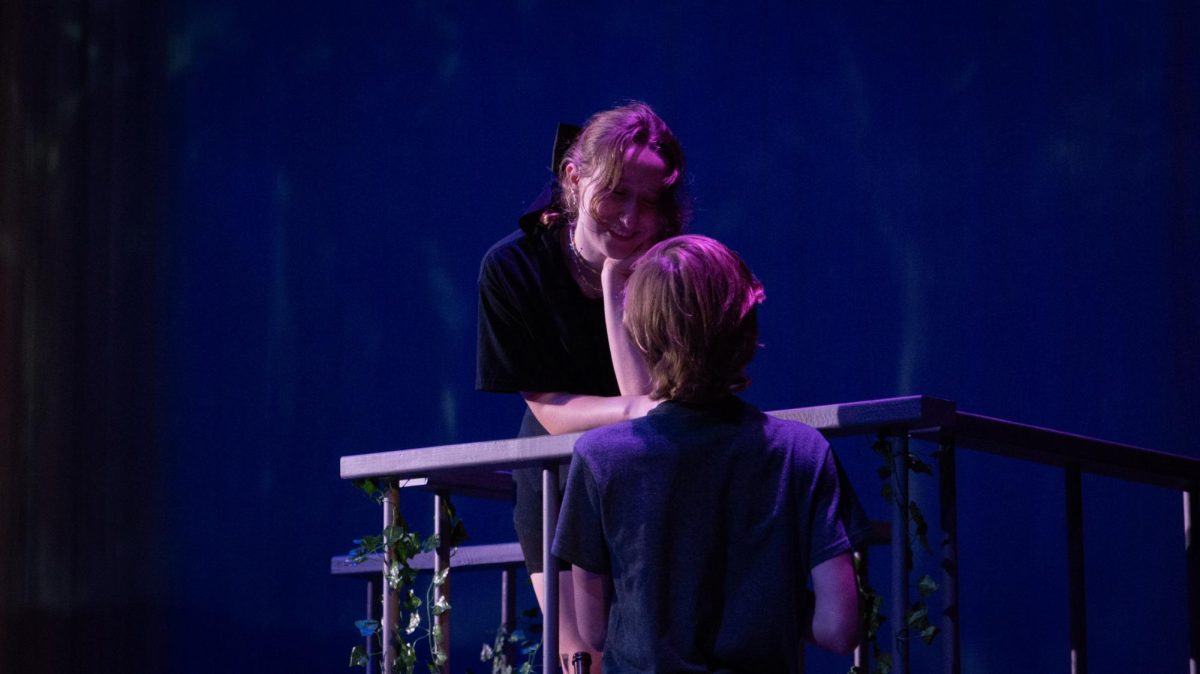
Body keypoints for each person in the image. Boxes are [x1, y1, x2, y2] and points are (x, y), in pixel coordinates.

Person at [552, 235, 870, 674]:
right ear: (744, 330)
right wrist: (770, 602)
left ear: (641, 334)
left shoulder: (599, 458)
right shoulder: (802, 453)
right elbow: (838, 628)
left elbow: (594, 630)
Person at [476, 101, 691, 670]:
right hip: (561, 479)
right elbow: (548, 407)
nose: (631, 217)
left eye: (650, 202)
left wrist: (621, 282)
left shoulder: (671, 270)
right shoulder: (514, 267)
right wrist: (639, 410)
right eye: (617, 193)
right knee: (583, 661)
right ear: (574, 177)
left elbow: (661, 395)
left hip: (653, 476)